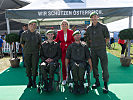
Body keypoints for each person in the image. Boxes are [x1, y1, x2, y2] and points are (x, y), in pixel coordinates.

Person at [85, 12, 110, 93]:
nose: (94, 18)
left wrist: (103, 45)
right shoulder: (88, 28)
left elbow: (107, 38)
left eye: (95, 16)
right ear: (91, 18)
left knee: (104, 67)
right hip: (93, 50)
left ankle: (105, 84)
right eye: (92, 17)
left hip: (102, 49)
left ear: (98, 17)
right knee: (94, 66)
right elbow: (87, 38)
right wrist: (90, 45)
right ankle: (97, 82)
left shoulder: (103, 27)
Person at [20, 20, 42, 88]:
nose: (33, 26)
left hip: (35, 53)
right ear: (28, 25)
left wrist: (36, 50)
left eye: (34, 25)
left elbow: (39, 44)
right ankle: (29, 81)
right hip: (27, 53)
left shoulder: (38, 34)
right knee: (28, 67)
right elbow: (22, 43)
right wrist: (26, 50)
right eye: (31, 24)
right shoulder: (24, 33)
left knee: (35, 67)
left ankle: (34, 81)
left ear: (36, 26)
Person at [55, 20, 75, 85]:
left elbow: (74, 40)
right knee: (63, 64)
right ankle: (64, 79)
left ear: (67, 25)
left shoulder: (71, 32)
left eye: (65, 24)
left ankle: (70, 78)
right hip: (62, 50)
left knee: (70, 64)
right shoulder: (59, 32)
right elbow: (56, 40)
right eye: (63, 24)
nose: (64, 25)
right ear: (61, 26)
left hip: (70, 50)